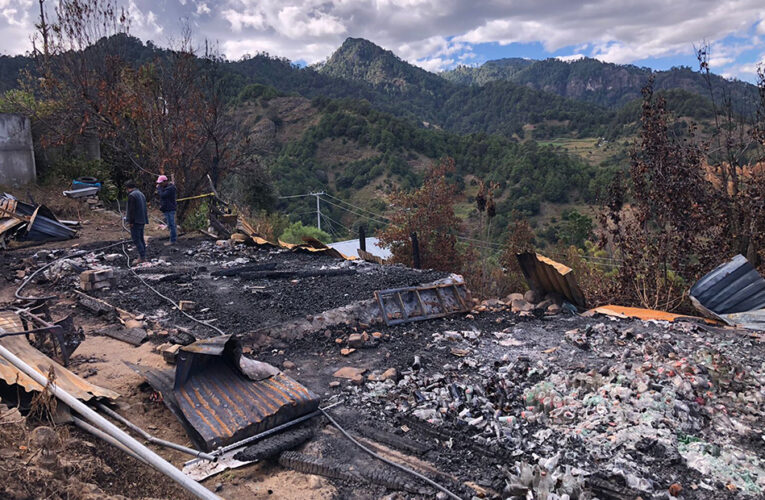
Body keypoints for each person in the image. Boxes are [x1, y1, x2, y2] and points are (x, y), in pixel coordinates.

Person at [125, 180, 148, 264]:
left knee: (136, 239)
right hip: (142, 219)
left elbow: (131, 210)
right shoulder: (141, 194)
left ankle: (141, 257)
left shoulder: (132, 195)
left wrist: (131, 222)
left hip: (136, 221)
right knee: (141, 238)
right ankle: (143, 256)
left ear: (128, 188)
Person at [156, 174, 177, 245]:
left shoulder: (170, 188)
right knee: (170, 225)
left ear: (165, 181)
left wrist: (159, 189)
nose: (160, 185)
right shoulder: (166, 188)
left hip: (170, 209)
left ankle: (173, 240)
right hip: (167, 209)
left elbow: (163, 195)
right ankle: (172, 239)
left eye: (161, 183)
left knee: (171, 225)